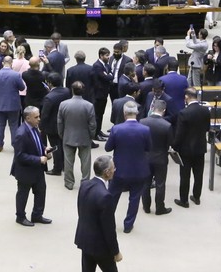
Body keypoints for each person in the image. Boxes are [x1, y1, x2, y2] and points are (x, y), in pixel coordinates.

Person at [75, 155, 122, 272]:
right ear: (107, 172)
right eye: (113, 168)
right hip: (100, 246)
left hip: (84, 239)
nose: (115, 170)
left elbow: (80, 210)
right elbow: (109, 229)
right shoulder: (105, 196)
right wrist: (116, 252)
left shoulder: (85, 185)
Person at [106, 101, 152, 234]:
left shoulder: (116, 129)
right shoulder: (145, 129)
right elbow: (149, 148)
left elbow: (108, 147)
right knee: (135, 198)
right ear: (137, 113)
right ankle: (128, 225)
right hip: (139, 170)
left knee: (113, 197)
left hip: (119, 170)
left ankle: (108, 223)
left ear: (124, 113)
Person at [11, 106, 53, 226]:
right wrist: (38, 159)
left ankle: (37, 215)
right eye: (36, 117)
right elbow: (20, 156)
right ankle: (20, 217)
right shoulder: (21, 134)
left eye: (39, 116)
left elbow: (37, 143)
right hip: (25, 171)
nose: (39, 119)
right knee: (23, 194)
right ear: (27, 118)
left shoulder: (34, 128)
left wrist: (45, 149)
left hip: (37, 169)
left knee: (41, 191)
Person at [172, 88, 211, 208]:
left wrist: (174, 147)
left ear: (187, 97)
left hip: (186, 150)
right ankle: (196, 197)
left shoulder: (183, 113)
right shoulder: (205, 111)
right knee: (198, 174)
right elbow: (207, 128)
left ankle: (184, 200)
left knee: (185, 175)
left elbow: (179, 134)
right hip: (200, 147)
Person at [57, 81, 97, 190]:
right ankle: (85, 182)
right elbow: (92, 124)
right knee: (86, 161)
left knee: (68, 161)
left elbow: (60, 122)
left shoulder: (63, 104)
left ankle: (69, 182)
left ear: (72, 90)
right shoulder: (89, 106)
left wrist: (61, 134)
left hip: (68, 135)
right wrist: (91, 135)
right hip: (84, 136)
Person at [140, 99, 173, 215]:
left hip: (146, 158)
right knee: (160, 184)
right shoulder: (167, 125)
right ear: (164, 111)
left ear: (152, 108)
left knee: (145, 184)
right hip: (161, 158)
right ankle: (160, 208)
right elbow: (169, 143)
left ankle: (146, 207)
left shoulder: (142, 122)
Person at [0, 56, 25, 152]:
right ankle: (15, 145)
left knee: (1, 125)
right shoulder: (16, 75)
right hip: (13, 104)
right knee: (13, 125)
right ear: (11, 63)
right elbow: (22, 88)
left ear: (2, 63)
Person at [41, 73, 69, 177]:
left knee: (55, 147)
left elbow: (45, 115)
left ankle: (57, 168)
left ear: (50, 83)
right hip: (64, 124)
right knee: (63, 145)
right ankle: (64, 166)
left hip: (52, 126)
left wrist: (41, 127)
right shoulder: (67, 91)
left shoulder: (49, 97)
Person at [91, 48, 113, 140]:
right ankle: (95, 134)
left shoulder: (106, 65)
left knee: (101, 114)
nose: (108, 57)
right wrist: (108, 75)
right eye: (106, 55)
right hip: (98, 94)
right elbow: (106, 77)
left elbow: (111, 74)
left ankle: (99, 130)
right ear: (101, 56)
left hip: (104, 94)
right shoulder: (97, 66)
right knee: (97, 115)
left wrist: (109, 75)